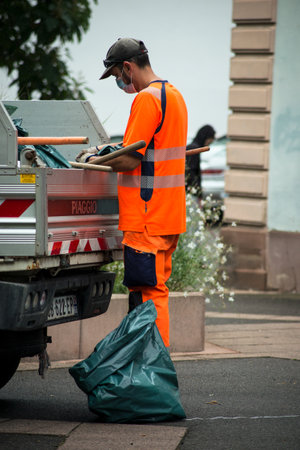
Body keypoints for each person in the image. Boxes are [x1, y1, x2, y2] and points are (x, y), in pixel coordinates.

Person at [96, 38, 188, 347]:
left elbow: (130, 157)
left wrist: (96, 162)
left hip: (145, 219)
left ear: (128, 67)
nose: (119, 83)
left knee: (148, 295)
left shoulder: (147, 99)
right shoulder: (173, 95)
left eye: (117, 76)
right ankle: (153, 368)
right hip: (168, 216)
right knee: (156, 290)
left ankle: (153, 370)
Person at [185, 125, 216, 198]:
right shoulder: (194, 149)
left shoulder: (193, 147)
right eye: (210, 139)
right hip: (190, 190)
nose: (210, 142)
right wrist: (197, 189)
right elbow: (191, 171)